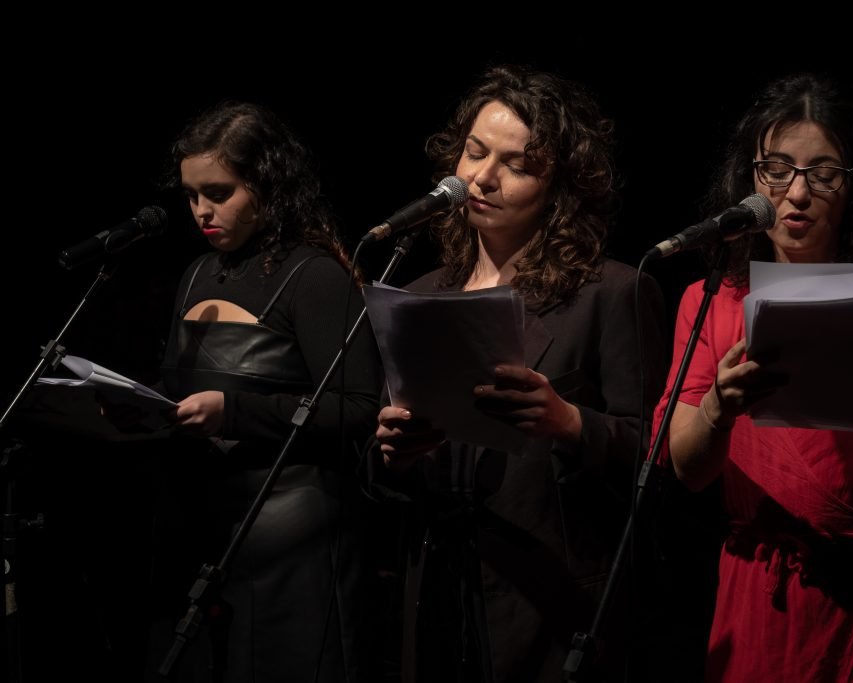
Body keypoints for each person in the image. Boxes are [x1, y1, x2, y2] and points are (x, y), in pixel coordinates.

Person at [650, 74, 853, 681]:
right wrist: (719, 410)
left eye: (822, 173)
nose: (797, 193)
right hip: (758, 599)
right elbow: (687, 470)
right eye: (777, 169)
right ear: (751, 177)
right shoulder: (711, 301)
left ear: (852, 186)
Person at [371, 65, 667, 682]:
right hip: (440, 593)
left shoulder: (612, 293)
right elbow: (381, 467)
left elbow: (660, 461)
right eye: (475, 152)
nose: (481, 177)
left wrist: (573, 424)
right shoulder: (424, 293)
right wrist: (392, 455)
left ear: (560, 187)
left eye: (517, 164)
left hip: (552, 605)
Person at [144, 101, 380, 682]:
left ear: (268, 183)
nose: (202, 210)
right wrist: (136, 405)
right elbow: (180, 384)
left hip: (294, 532)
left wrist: (237, 412)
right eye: (192, 195)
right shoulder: (198, 273)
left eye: (219, 192)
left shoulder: (314, 275)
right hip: (205, 526)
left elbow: (360, 408)